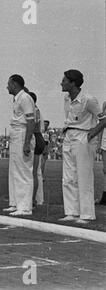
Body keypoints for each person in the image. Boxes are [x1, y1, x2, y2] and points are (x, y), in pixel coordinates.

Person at [59, 70, 106, 224]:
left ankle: (86, 214)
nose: (61, 83)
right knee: (68, 177)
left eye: (65, 81)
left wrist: (93, 132)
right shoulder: (67, 99)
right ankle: (71, 212)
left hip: (83, 137)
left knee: (84, 177)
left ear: (73, 83)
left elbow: (103, 119)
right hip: (69, 137)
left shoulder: (88, 99)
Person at [3, 75, 36, 216]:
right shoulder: (17, 99)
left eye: (9, 84)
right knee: (14, 171)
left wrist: (27, 142)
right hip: (16, 134)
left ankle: (25, 207)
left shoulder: (25, 98)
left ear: (15, 84)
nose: (7, 87)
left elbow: (31, 121)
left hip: (23, 133)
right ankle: (15, 203)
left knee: (23, 171)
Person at [28, 91, 45, 208]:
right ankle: (37, 198)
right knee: (35, 172)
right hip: (38, 137)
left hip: (35, 137)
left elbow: (33, 126)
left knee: (33, 172)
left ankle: (33, 199)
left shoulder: (33, 110)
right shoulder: (36, 109)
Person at [96, 101, 106, 206]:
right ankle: (104, 196)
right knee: (105, 170)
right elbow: (101, 125)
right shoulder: (105, 105)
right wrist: (98, 143)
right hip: (105, 142)